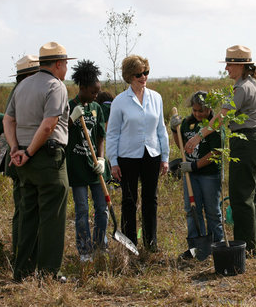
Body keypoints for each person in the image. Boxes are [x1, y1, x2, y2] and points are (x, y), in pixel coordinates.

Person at [185, 45, 256, 256]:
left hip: (247, 143)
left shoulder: (241, 89)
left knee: (241, 198)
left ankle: (246, 249)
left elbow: (221, 118)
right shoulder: (252, 84)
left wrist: (198, 136)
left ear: (241, 66)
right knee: (252, 197)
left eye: (230, 64)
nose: (227, 69)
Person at [3, 42, 74, 282]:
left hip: (24, 159)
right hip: (46, 157)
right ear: (57, 64)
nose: (66, 69)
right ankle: (49, 273)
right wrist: (31, 152)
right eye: (65, 64)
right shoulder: (56, 86)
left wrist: (15, 148)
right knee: (52, 217)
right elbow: (48, 125)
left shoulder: (22, 86)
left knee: (28, 215)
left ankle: (22, 270)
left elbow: (8, 120)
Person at [106, 55, 169, 252]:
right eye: (138, 74)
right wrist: (113, 162)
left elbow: (161, 129)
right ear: (129, 76)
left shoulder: (156, 97)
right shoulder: (120, 101)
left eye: (146, 72)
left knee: (151, 200)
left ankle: (151, 244)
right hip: (127, 157)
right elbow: (112, 133)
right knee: (129, 200)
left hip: (152, 154)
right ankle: (129, 244)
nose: (143, 77)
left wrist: (165, 157)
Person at [170, 91, 224, 259]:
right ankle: (196, 247)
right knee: (192, 210)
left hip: (209, 175)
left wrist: (194, 165)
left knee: (212, 211)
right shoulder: (187, 123)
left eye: (202, 110)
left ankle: (217, 245)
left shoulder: (214, 125)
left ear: (209, 109)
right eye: (195, 110)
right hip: (190, 175)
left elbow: (216, 153)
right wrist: (174, 130)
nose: (198, 114)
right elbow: (183, 146)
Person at [66, 59, 108, 262]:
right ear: (82, 88)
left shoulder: (96, 108)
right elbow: (59, 132)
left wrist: (101, 158)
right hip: (77, 168)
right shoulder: (68, 107)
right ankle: (85, 250)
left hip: (95, 168)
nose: (96, 95)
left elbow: (100, 135)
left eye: (98, 92)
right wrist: (71, 119)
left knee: (102, 208)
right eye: (93, 92)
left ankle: (102, 245)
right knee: (82, 210)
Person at [4, 55, 40, 261]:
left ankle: (22, 252)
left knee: (24, 207)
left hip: (20, 156)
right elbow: (11, 123)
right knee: (24, 208)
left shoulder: (19, 91)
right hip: (20, 158)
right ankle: (21, 254)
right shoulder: (22, 92)